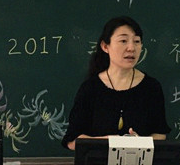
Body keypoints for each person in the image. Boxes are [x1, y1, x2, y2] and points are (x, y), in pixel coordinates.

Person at [62, 16, 171, 150]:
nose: (131, 48)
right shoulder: (90, 88)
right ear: (105, 46)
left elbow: (160, 134)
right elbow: (72, 141)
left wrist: (140, 143)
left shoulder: (151, 87)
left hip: (139, 163)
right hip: (97, 163)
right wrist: (109, 142)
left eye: (137, 41)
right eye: (123, 41)